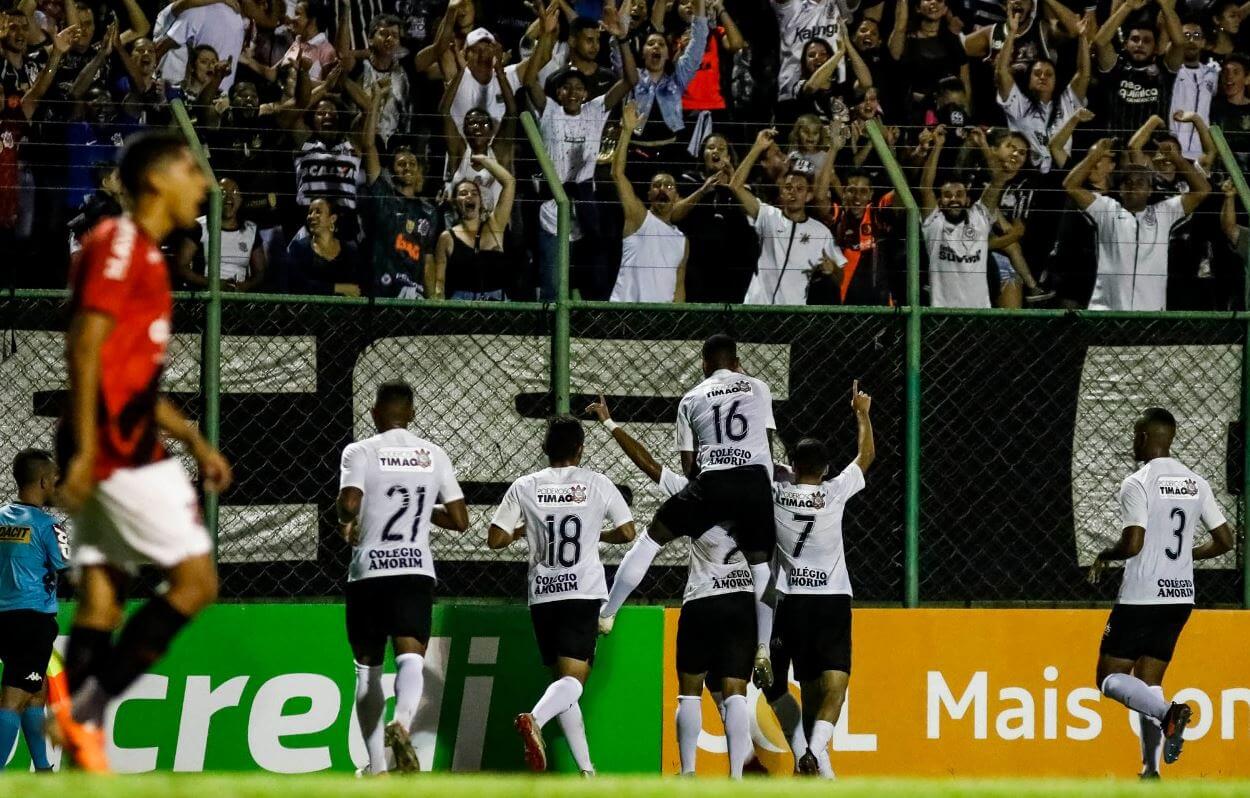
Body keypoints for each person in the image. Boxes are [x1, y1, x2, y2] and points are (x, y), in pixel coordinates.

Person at [53, 131, 232, 773]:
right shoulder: (119, 244)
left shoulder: (150, 260)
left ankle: (79, 758)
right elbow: (83, 348)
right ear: (156, 180)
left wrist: (191, 437)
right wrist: (84, 453)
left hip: (119, 440)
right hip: (118, 450)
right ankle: (88, 713)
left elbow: (131, 374)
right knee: (195, 582)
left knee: (102, 600)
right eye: (192, 169)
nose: (204, 183)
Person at [585, 394, 755, 778]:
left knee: (689, 689)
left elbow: (648, 465)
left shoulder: (692, 491)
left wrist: (611, 425)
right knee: (736, 691)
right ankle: (737, 779)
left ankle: (689, 773)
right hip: (742, 602)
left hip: (701, 601)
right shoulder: (757, 492)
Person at [600, 334, 780, 691]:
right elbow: (768, 444)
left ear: (704, 364)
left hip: (711, 488)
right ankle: (763, 646)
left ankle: (607, 614)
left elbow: (685, 467)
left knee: (653, 538)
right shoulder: (759, 388)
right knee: (761, 564)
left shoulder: (691, 398)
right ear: (738, 362)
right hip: (755, 483)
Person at [1087, 407, 1235, 777]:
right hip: (1181, 597)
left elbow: (1133, 542)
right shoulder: (1195, 483)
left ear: (1144, 438)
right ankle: (1150, 770)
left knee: (1108, 678)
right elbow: (1224, 541)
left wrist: (1105, 555)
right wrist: (1188, 553)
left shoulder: (1137, 482)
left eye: (1136, 435)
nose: (1133, 441)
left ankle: (1168, 713)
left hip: (1142, 597)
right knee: (1148, 685)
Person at [488, 416, 636, 775]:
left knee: (563, 685)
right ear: (580, 449)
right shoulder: (597, 484)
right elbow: (629, 531)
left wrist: (525, 529)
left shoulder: (525, 486)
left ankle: (587, 771)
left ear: (544, 448)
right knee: (573, 683)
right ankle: (533, 719)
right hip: (580, 592)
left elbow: (494, 539)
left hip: (543, 596)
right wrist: (597, 536)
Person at [337, 381, 469, 775]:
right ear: (411, 413)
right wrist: (424, 506)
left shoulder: (360, 451)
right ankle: (404, 721)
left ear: (375, 413)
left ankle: (376, 767)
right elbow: (460, 519)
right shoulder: (434, 455)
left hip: (369, 572)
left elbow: (349, 503)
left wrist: (345, 521)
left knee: (367, 668)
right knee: (411, 655)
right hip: (414, 569)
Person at [774, 384, 873, 777]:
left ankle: (808, 760)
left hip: (793, 601)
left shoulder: (776, 491)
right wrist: (861, 413)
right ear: (827, 469)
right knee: (834, 686)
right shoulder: (834, 492)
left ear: (794, 467)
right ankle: (815, 752)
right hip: (831, 600)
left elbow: (766, 467)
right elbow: (865, 457)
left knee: (797, 686)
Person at [1062, 137, 1209, 311]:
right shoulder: (1106, 209)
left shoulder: (1163, 213)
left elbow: (1202, 190)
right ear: (1120, 189)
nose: (1133, 186)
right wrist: (1095, 155)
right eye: (1128, 182)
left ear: (1150, 190)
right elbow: (1070, 185)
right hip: (1106, 312)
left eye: (1141, 182)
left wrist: (1176, 158)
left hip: (1150, 314)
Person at [0, 449, 67, 773]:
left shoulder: (0, 518)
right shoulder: (47, 526)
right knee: (13, 699)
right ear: (43, 481)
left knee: (36, 691)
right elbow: (68, 566)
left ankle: (42, 770)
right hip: (33, 621)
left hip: (3, 618)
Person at [729, 128, 846, 306]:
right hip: (755, 308)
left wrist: (833, 270)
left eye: (800, 189)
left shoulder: (820, 232)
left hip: (791, 316)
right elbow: (735, 186)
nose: (793, 192)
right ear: (782, 192)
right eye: (788, 188)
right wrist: (758, 147)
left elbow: (840, 277)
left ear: (808, 196)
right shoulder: (767, 215)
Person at [918, 125, 1009, 308]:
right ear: (940, 201)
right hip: (942, 314)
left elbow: (999, 178)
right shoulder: (934, 224)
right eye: (947, 195)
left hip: (979, 314)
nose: (953, 199)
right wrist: (937, 147)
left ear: (967, 200)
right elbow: (925, 188)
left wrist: (983, 144)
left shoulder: (979, 218)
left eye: (959, 194)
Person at [610, 101, 690, 303]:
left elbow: (679, 287)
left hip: (658, 322)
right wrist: (627, 131)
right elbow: (617, 174)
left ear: (677, 198)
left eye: (669, 186)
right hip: (625, 315)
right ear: (648, 195)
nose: (662, 189)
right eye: (657, 185)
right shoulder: (639, 218)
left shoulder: (682, 241)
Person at [995, 12, 1090, 173]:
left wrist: (1082, 37)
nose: (1043, 77)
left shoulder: (1066, 101)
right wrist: (1011, 34)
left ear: (1055, 81)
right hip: (1028, 174)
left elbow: (1084, 74)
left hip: (1062, 175)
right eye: (1037, 73)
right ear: (1029, 79)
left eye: (1048, 74)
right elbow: (1001, 72)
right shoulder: (1019, 103)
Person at [432, 155, 516, 301]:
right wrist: (439, 300)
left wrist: (483, 159)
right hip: (461, 307)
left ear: (480, 201)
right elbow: (439, 280)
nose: (469, 196)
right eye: (463, 193)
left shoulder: (494, 225)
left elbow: (509, 182)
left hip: (497, 305)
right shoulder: (447, 238)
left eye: (474, 193)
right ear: (454, 202)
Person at [1093, 0, 1183, 135]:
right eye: (1134, 39)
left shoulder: (1164, 69)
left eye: (1147, 41)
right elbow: (1100, 42)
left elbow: (1179, 44)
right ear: (1125, 44)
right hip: (1118, 149)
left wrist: (1165, 5)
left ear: (1155, 47)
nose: (1140, 44)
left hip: (1155, 151)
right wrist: (1127, 6)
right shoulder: (1116, 67)